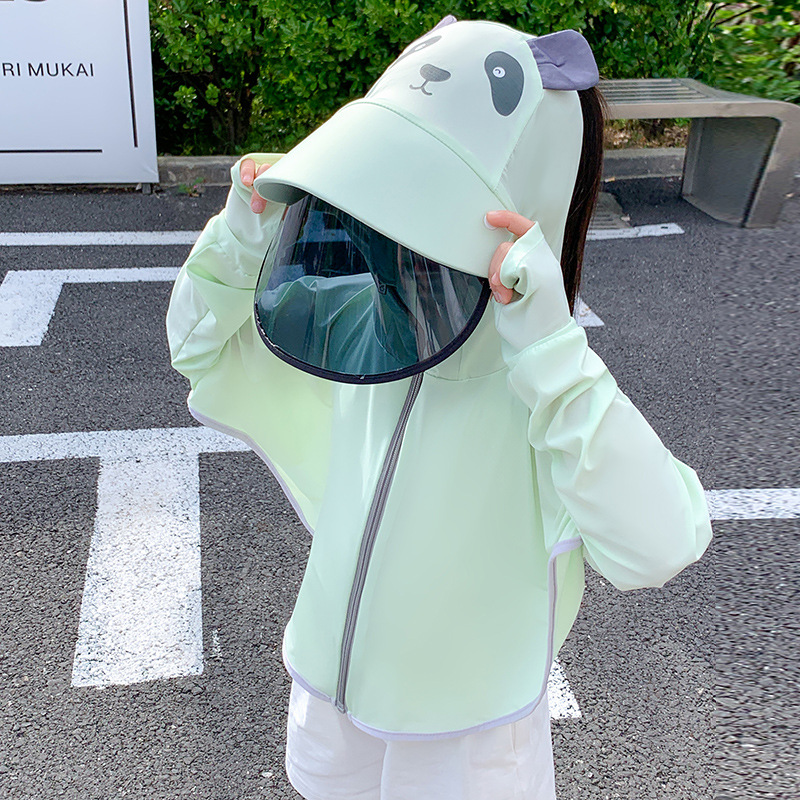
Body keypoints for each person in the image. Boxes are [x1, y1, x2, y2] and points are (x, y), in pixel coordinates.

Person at [166, 16, 713, 800]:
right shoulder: (365, 320)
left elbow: (661, 543)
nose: (392, 230)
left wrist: (554, 356)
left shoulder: (546, 386)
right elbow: (199, 345)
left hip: (467, 735)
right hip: (331, 684)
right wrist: (241, 233)